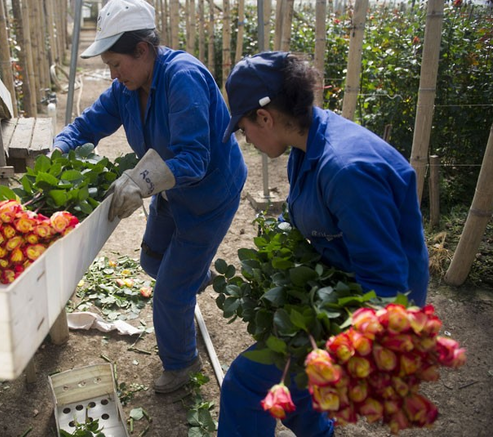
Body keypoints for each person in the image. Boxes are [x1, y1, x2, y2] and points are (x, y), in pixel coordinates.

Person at [217, 52, 430, 436]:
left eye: (244, 128)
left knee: (246, 385)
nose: (245, 138)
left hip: (376, 308)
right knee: (290, 389)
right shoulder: (307, 143)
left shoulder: (347, 171)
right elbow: (301, 219)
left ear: (265, 117)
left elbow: (385, 283)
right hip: (341, 283)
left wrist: (352, 355)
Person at [52, 0, 247, 393]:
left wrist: (139, 182)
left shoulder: (183, 77)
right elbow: (87, 126)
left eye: (115, 63)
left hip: (209, 194)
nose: (112, 73)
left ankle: (182, 364)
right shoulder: (126, 88)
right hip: (169, 191)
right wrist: (59, 150)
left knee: (170, 292)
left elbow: (194, 159)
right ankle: (195, 274)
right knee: (152, 258)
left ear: (142, 50)